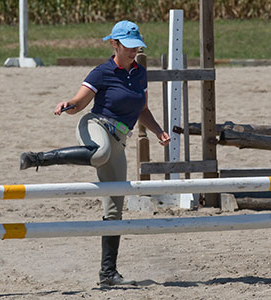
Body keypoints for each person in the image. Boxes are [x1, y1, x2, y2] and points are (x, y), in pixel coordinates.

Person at [19, 20, 170, 287]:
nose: (134, 51)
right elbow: (80, 103)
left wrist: (158, 131)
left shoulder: (140, 73)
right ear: (115, 44)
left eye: (137, 47)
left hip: (120, 139)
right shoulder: (101, 72)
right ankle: (38, 158)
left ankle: (108, 274)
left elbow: (142, 109)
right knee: (99, 153)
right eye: (129, 47)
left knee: (115, 209)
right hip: (95, 125)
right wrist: (68, 104)